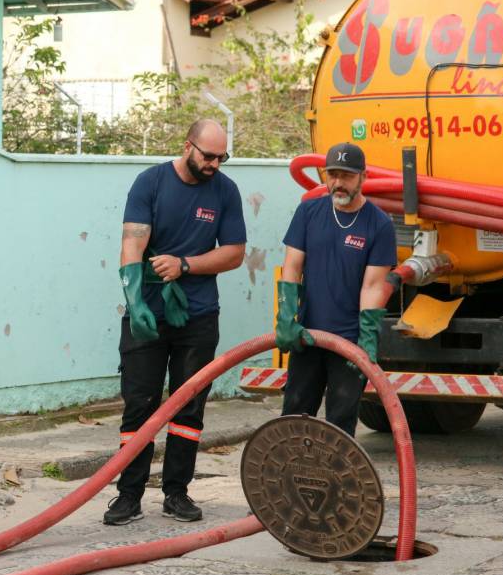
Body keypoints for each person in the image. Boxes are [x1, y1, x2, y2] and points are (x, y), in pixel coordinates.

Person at [104, 119, 247, 526]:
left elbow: (234, 252)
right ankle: (128, 496)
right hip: (148, 312)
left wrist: (186, 264)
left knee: (188, 407)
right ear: (187, 146)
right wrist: (135, 301)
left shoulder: (226, 191)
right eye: (208, 155)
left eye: (222, 157)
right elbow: (132, 241)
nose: (215, 164)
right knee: (140, 405)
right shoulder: (150, 182)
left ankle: (177, 493)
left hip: (198, 316)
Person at [275, 142, 396, 436]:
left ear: (363, 177)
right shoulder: (308, 212)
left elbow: (372, 285)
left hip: (348, 343)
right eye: (332, 175)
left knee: (340, 425)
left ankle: (333, 481)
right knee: (294, 417)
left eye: (346, 176)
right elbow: (292, 266)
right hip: (307, 337)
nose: (338, 183)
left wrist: (367, 338)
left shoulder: (379, 224)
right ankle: (290, 480)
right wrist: (287, 318)